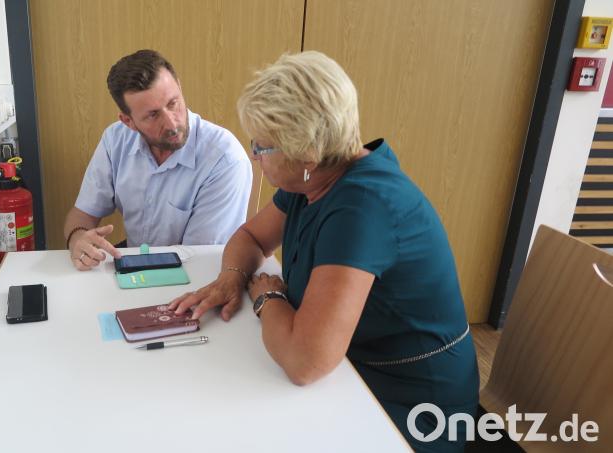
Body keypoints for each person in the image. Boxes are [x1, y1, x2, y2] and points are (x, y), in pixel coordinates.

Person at [169, 51, 478, 451]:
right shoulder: (315, 178)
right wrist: (231, 278)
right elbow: (249, 237)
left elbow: (305, 362)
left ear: (306, 155)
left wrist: (269, 297)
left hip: (411, 402)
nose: (254, 156)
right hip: (353, 368)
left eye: (262, 147)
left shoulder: (363, 207)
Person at [64, 49, 252, 270]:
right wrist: (78, 239)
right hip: (139, 263)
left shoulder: (224, 159)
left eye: (173, 103)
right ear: (128, 121)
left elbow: (200, 263)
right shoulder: (115, 139)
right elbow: (83, 214)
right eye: (153, 115)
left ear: (180, 88)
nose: (172, 124)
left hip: (192, 274)